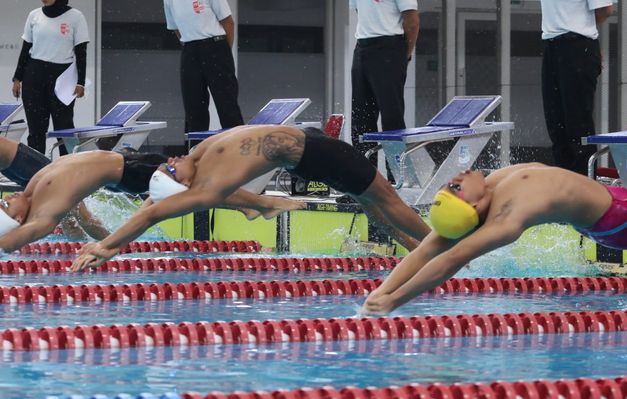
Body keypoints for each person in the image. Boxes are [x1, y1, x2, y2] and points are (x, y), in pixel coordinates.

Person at [71, 125, 432, 271]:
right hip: (319, 155)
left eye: (164, 169)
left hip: (309, 151)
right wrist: (108, 246)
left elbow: (153, 204)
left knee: (376, 205)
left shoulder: (198, 158)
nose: (169, 162)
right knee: (385, 201)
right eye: (170, 172)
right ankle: (439, 247)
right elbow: (153, 214)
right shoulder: (208, 182)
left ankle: (426, 251)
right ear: (186, 186)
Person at [362, 163, 627, 314]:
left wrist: (379, 292)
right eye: (454, 187)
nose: (455, 177)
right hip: (623, 217)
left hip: (616, 203)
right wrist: (394, 302)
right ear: (474, 205)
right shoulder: (507, 217)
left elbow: (426, 249)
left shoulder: (492, 184)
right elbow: (449, 258)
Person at [0, 135, 305, 252]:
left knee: (199, 182)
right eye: (4, 208)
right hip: (127, 172)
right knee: (201, 182)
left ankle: (252, 206)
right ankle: (257, 205)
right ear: (18, 218)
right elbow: (19, 239)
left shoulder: (30, 189)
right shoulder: (44, 211)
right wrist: (112, 245)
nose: (4, 200)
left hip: (124, 166)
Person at [540, 0, 613, 175]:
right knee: (556, 126)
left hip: (577, 45)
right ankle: (564, 185)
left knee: (578, 127)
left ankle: (585, 188)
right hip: (551, 46)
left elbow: (606, 9)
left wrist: (584, 36)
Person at [12, 0, 89, 156]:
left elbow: (81, 52)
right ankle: (35, 171)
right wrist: (17, 78)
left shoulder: (76, 17)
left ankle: (67, 170)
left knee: (65, 128)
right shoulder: (34, 15)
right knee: (36, 129)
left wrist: (81, 82)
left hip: (62, 76)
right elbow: (26, 49)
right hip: (34, 74)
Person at [350, 0, 419, 163]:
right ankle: (364, 175)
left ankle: (397, 175)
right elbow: (364, 16)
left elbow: (412, 21)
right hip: (362, 48)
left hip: (389, 47)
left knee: (391, 117)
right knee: (361, 117)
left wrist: (406, 54)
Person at [164, 0, 244, 134]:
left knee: (227, 105)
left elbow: (228, 22)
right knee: (193, 107)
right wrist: (192, 44)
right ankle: (194, 151)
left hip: (215, 45)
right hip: (190, 49)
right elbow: (176, 28)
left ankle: (236, 148)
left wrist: (223, 53)